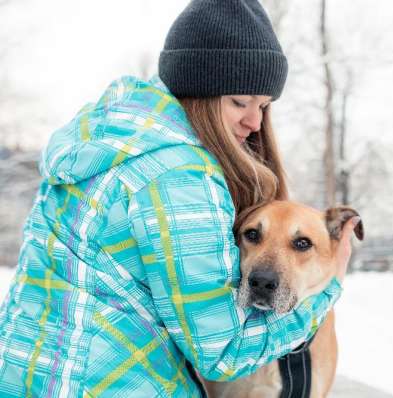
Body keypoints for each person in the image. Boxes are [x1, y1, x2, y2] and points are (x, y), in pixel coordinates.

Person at [0, 0, 357, 396]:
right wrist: (328, 289)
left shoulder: (105, 138)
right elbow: (223, 351)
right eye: (240, 101)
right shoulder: (180, 174)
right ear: (198, 89)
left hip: (23, 374)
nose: (255, 122)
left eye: (264, 106)